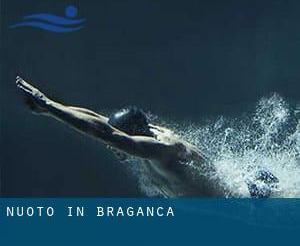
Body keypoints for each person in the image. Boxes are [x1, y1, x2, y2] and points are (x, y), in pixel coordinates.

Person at [15, 76, 278, 197]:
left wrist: (48, 105)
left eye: (115, 142)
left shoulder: (162, 150)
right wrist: (51, 109)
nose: (110, 147)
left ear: (132, 136)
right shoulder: (146, 134)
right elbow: (99, 121)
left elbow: (106, 133)